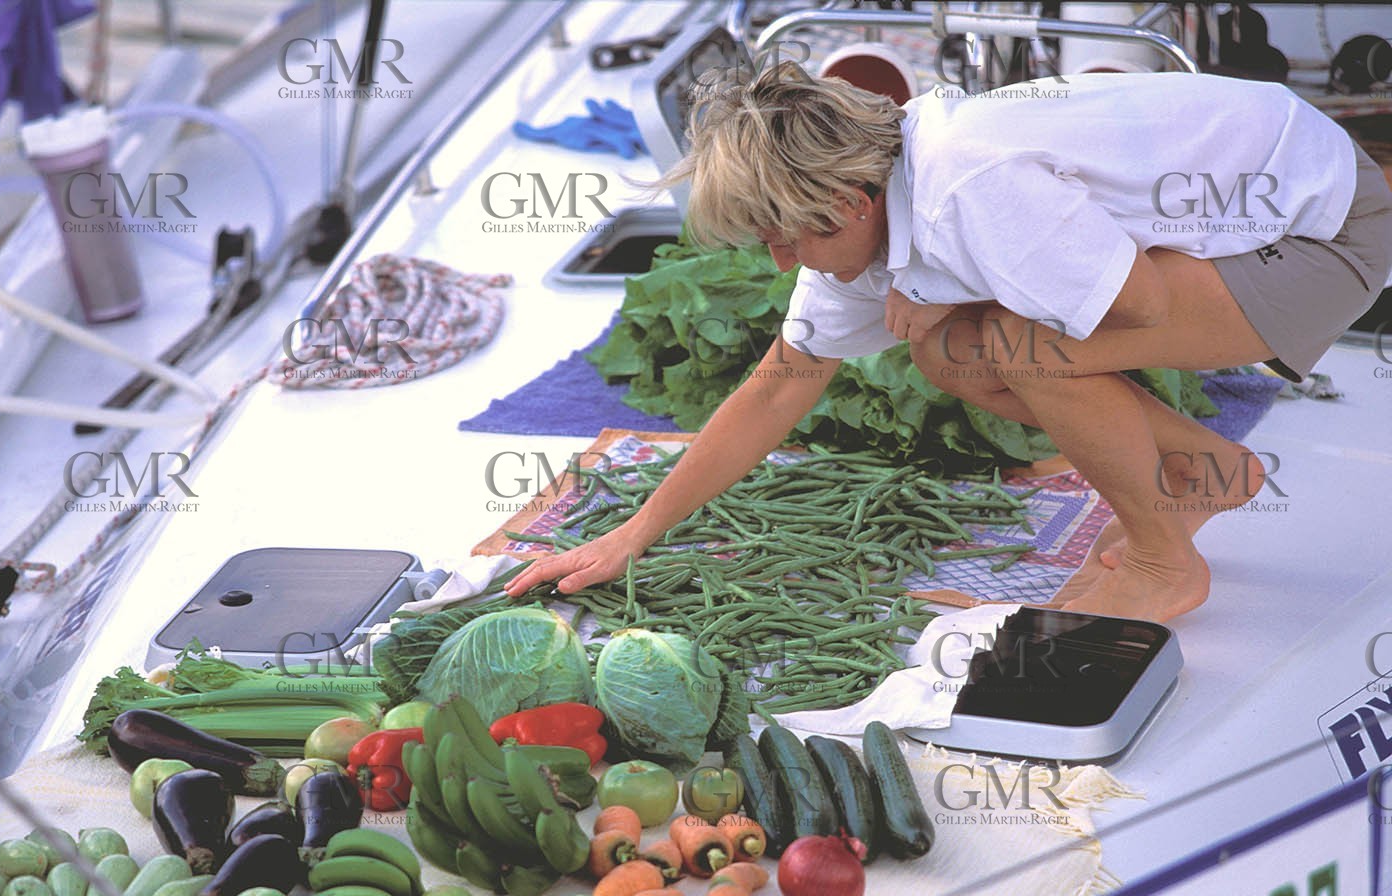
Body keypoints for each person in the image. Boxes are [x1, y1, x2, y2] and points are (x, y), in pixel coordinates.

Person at [506, 62, 1392, 622]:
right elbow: (779, 385)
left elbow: (1140, 301)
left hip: (1322, 231)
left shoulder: (967, 185)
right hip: (1237, 232)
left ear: (847, 205)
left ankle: (1166, 563)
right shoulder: (868, 198)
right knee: (950, 351)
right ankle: (1206, 469)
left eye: (784, 238)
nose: (779, 261)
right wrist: (634, 533)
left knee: (1012, 338)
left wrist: (951, 288)